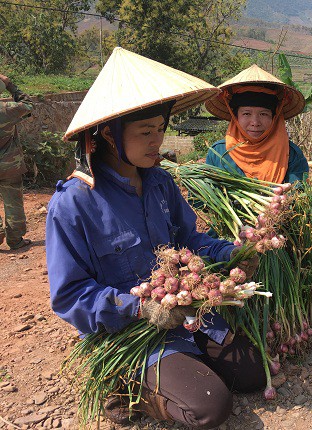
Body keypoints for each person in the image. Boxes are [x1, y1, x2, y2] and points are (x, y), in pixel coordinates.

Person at [45, 47, 263, 429]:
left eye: (160, 130)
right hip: (127, 327)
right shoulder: (74, 204)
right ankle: (126, 385)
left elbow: (191, 240)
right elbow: (69, 296)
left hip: (184, 312)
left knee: (252, 375)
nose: (157, 141)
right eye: (145, 132)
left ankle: (180, 366)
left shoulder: (159, 182)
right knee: (210, 407)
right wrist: (138, 308)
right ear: (110, 136)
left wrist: (231, 253)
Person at [204, 64, 309, 184]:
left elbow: (301, 194)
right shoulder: (219, 153)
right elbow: (201, 200)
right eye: (247, 114)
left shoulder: (291, 155)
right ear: (235, 116)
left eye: (263, 114)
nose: (255, 123)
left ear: (274, 118)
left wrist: (284, 198)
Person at [0, 73, 33, 250]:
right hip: (10, 166)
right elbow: (28, 105)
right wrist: (10, 85)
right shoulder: (7, 109)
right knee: (13, 203)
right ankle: (15, 240)